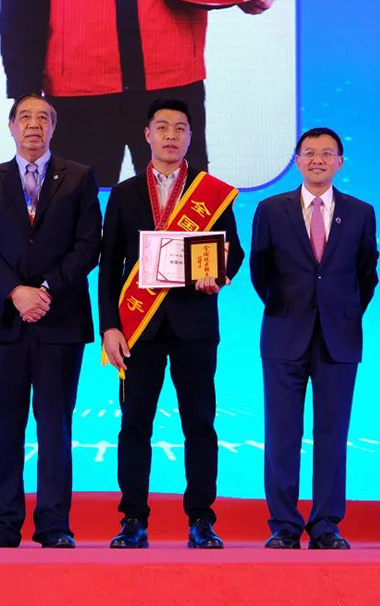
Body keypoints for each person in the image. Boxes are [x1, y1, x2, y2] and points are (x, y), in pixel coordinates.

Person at [0, 0, 281, 186]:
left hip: (171, 81)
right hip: (78, 92)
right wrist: (25, 90)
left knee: (183, 217)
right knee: (73, 219)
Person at [100, 98, 244, 549]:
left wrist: (218, 274)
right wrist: (109, 327)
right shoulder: (124, 193)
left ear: (190, 136)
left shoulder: (210, 192)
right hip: (137, 328)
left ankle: (201, 519)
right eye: (161, 127)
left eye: (180, 128)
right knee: (134, 425)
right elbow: (109, 267)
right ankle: (133, 520)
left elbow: (233, 251)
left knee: (199, 425)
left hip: (194, 325)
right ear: (147, 135)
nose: (170, 135)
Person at [0, 94, 101, 549]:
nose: (33, 125)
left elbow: (88, 245)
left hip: (59, 320)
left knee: (55, 426)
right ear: (11, 127)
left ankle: (54, 525)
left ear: (53, 128)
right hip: (3, 320)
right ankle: (2, 525)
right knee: (3, 426)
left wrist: (44, 290)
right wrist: (15, 291)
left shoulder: (79, 177)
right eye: (24, 117)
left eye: (43, 118)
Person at [250, 127, 378, 550]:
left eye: (327, 153)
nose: (318, 160)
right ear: (297, 160)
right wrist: (290, 308)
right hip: (284, 333)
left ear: (340, 162)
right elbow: (260, 271)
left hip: (339, 338)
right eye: (309, 153)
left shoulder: (360, 212)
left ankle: (325, 525)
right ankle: (284, 525)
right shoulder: (271, 209)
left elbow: (366, 275)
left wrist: (339, 312)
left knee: (332, 435)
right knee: (281, 435)